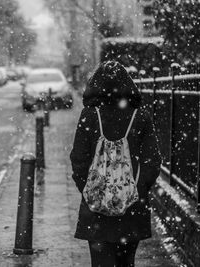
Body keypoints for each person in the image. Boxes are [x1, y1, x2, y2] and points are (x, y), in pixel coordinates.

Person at [70, 61, 162, 267]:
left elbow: (78, 158)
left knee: (100, 262)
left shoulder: (90, 116)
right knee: (126, 261)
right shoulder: (141, 117)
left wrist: (90, 190)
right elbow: (153, 162)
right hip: (132, 209)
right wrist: (137, 190)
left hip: (96, 212)